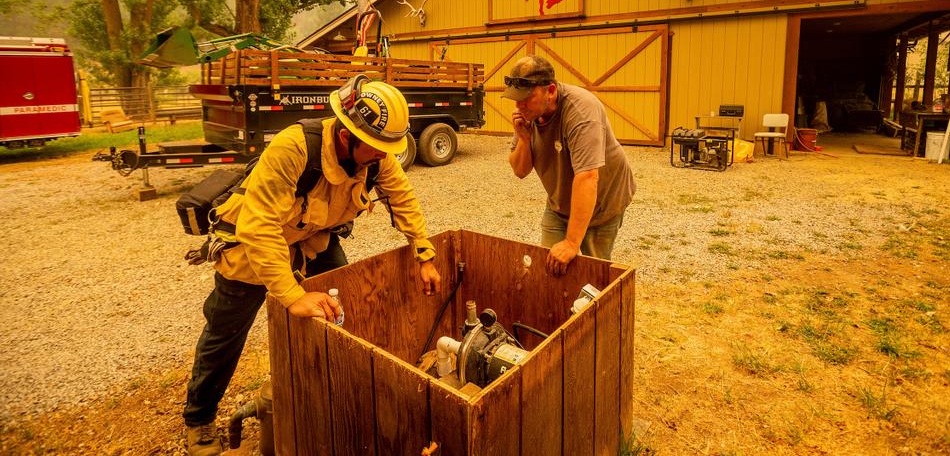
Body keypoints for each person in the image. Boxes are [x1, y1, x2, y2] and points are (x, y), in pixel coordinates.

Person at [183, 75, 441, 456]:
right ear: (345, 136)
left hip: (311, 239)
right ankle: (199, 419)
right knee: (226, 332)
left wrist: (424, 253)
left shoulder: (377, 156)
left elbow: (402, 196)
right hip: (251, 243)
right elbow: (259, 225)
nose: (384, 155)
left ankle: (333, 392)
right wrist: (290, 294)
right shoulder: (294, 148)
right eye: (375, 147)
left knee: (344, 311)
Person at [505, 55, 635, 277]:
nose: (519, 105)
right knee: (549, 268)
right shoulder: (529, 114)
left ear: (551, 91)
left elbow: (587, 177)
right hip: (559, 205)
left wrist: (572, 243)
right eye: (516, 98)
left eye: (526, 98)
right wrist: (525, 139)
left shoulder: (581, 110)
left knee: (593, 274)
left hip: (602, 203)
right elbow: (520, 170)